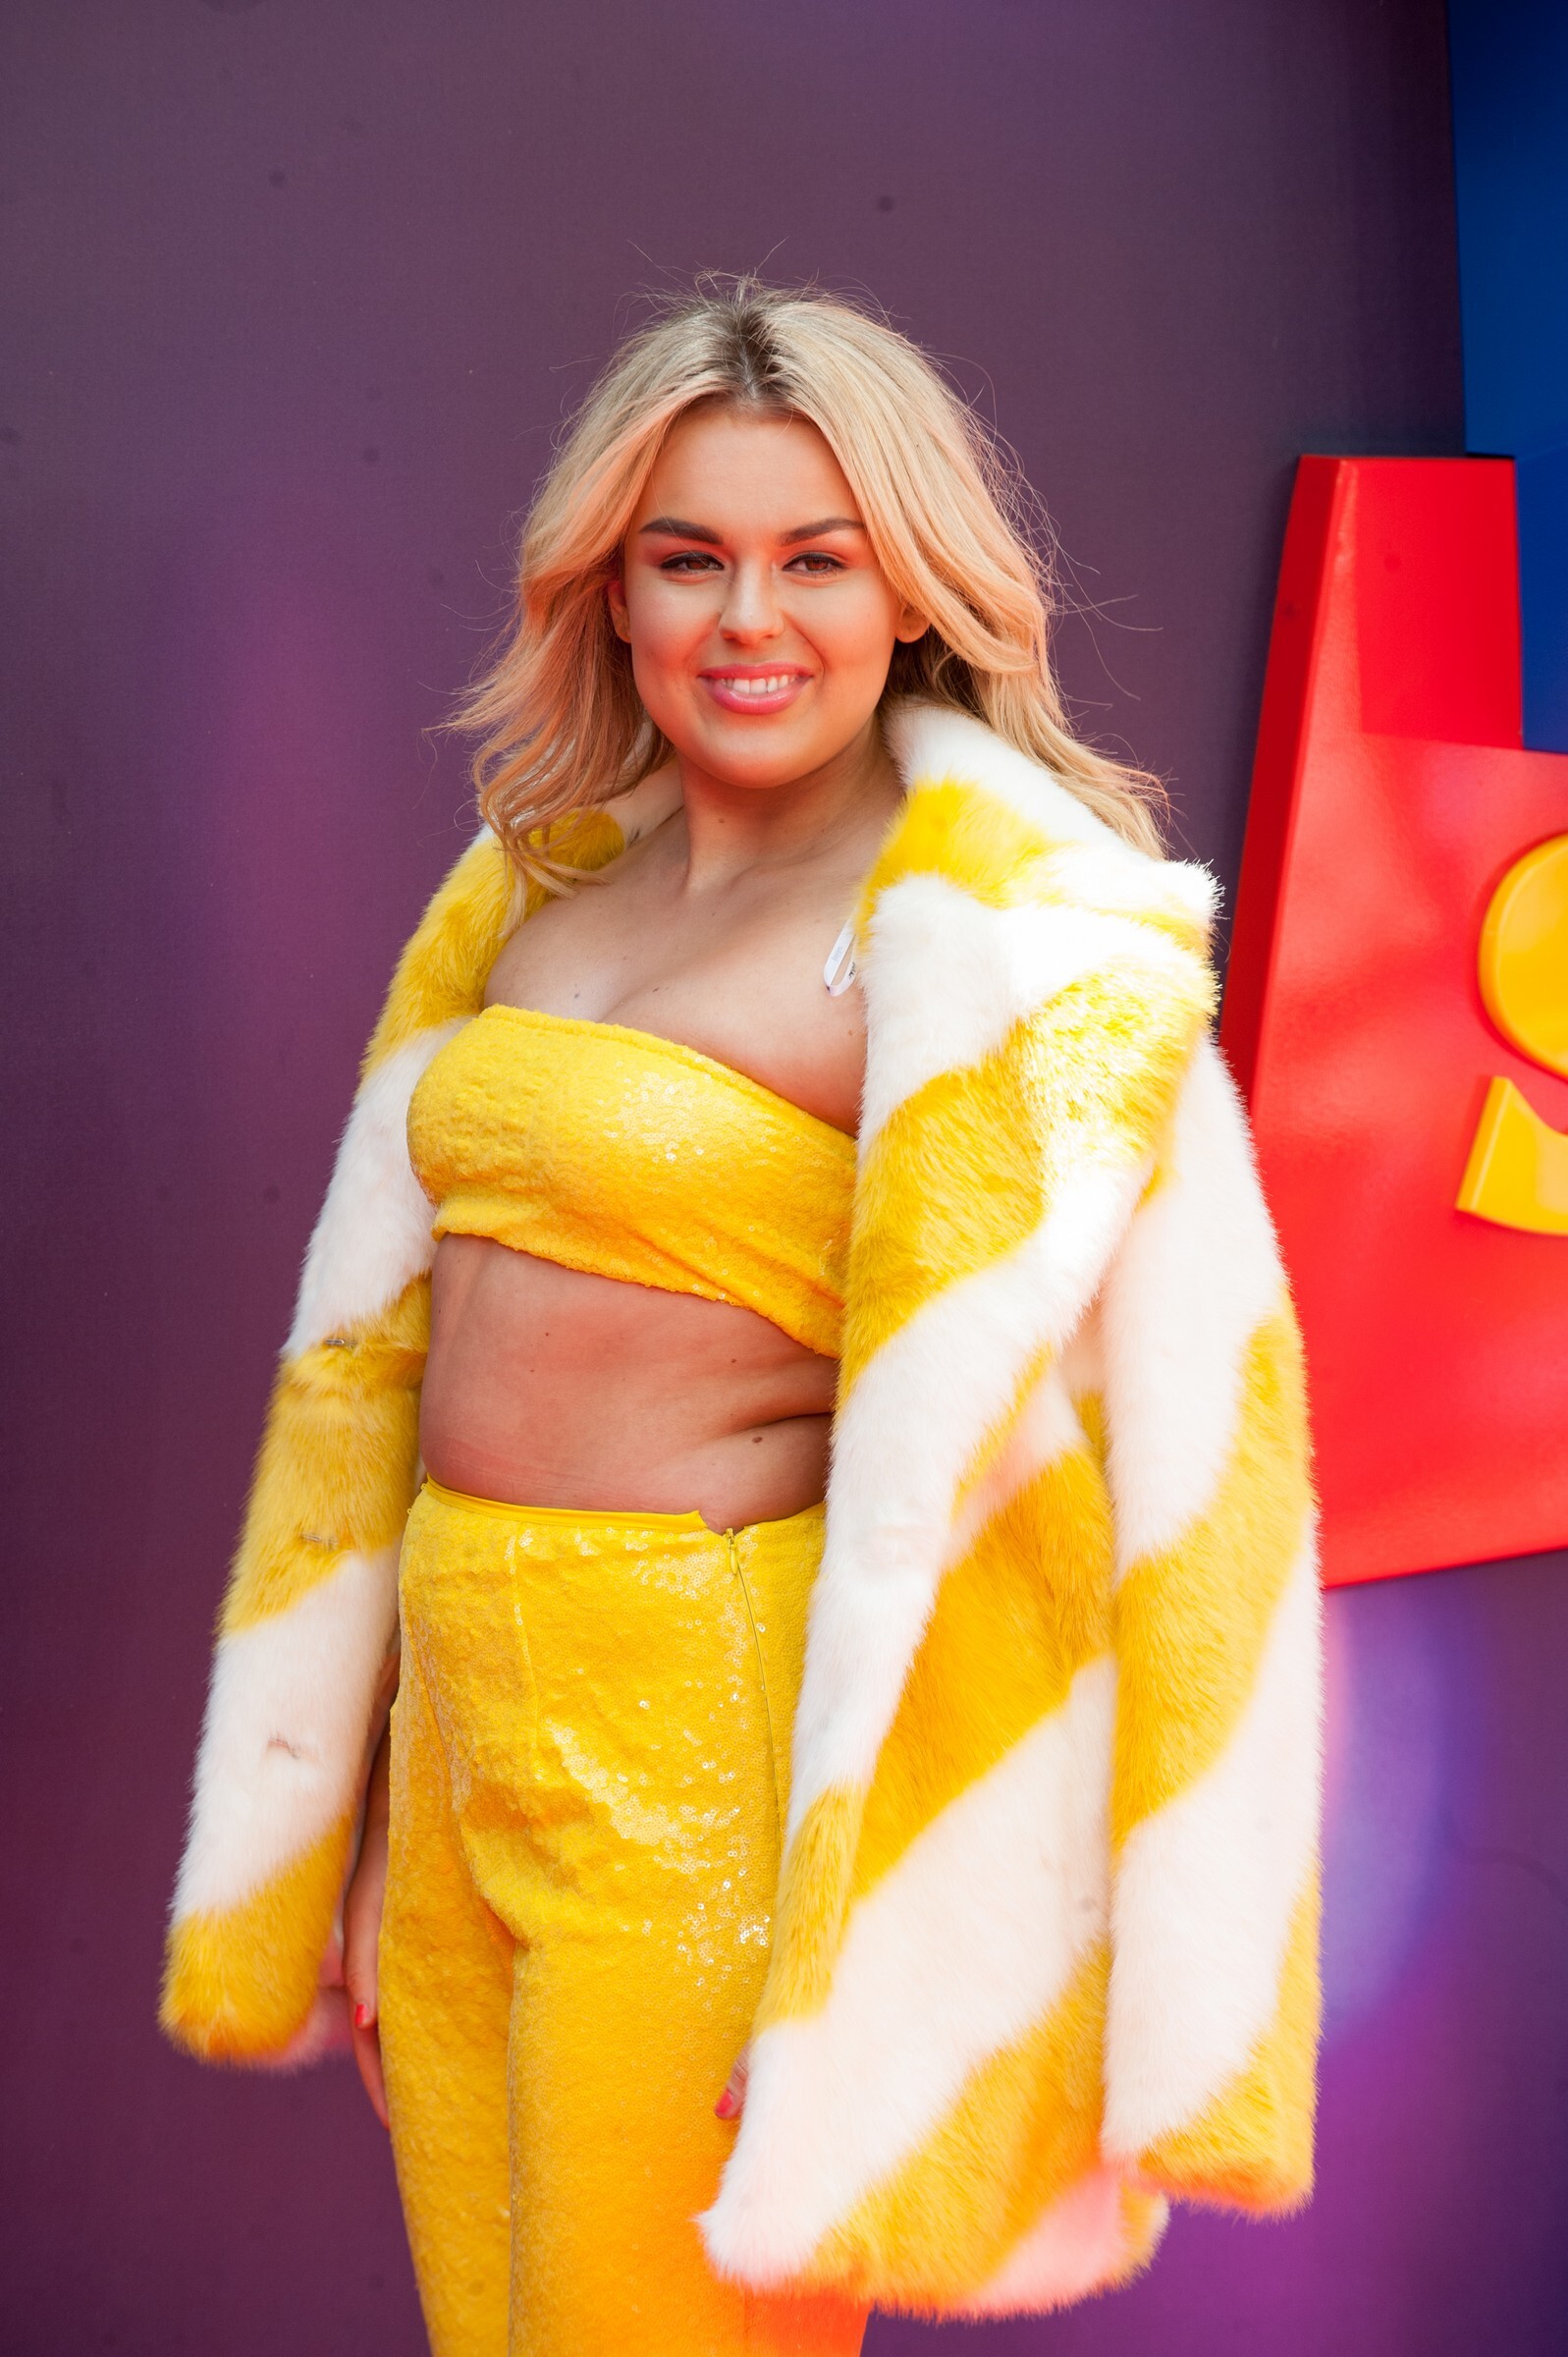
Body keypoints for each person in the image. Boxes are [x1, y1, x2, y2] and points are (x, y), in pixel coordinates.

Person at [161, 283, 1324, 2356]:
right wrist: (378, 1808)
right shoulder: (532, 891)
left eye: (817, 559)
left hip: (711, 1773)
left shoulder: (998, 936)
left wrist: (876, 1952)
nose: (746, 619)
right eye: (687, 559)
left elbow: (1185, 1482)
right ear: (608, 593)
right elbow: (383, 1380)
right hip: (463, 1746)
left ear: (912, 590)